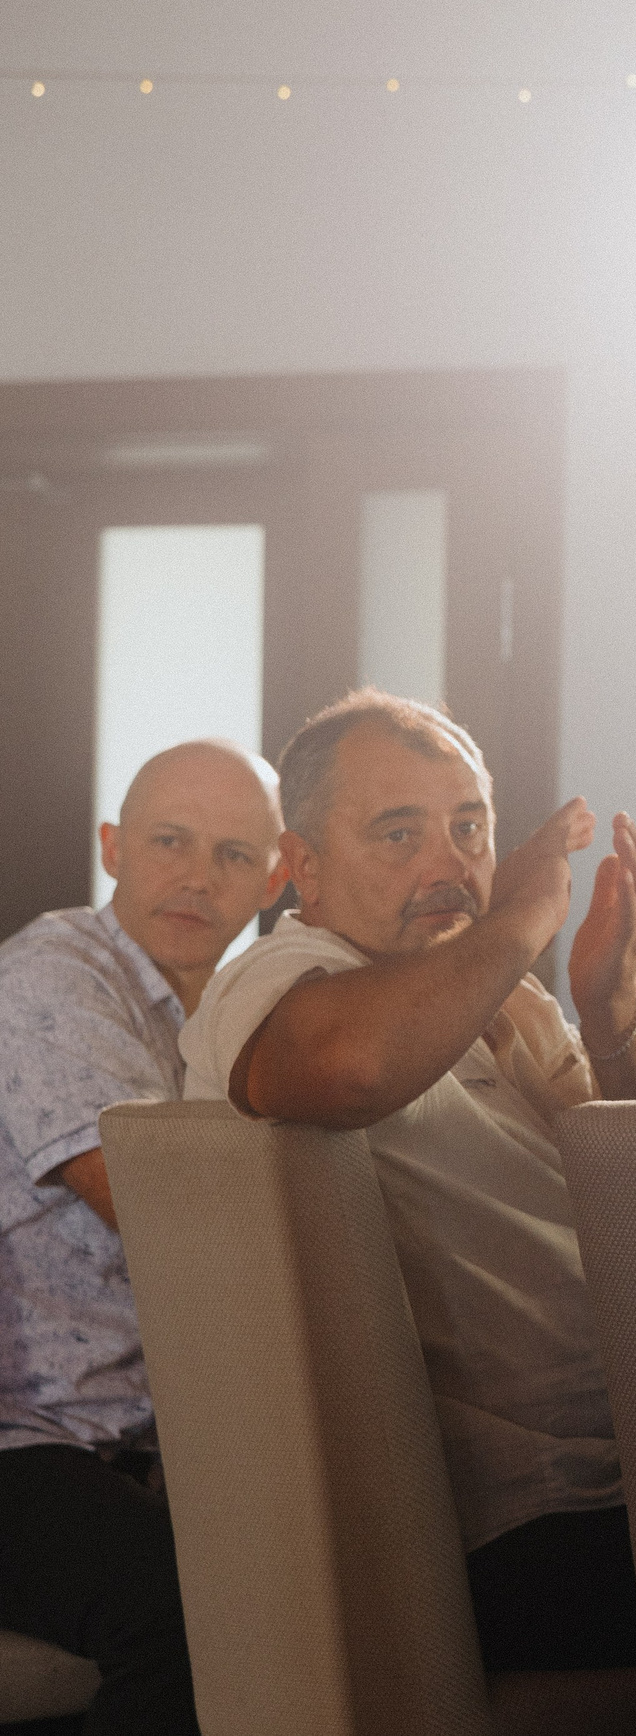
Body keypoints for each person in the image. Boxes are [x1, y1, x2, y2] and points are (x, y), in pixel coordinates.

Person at [179, 689, 636, 1675]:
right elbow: (348, 1066)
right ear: (303, 869)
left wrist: (615, 1011)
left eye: (468, 826)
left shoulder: (511, 1000)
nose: (447, 863)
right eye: (397, 832)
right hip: (515, 1521)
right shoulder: (282, 974)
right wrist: (524, 912)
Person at [0, 740, 287, 1736]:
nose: (198, 876)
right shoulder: (56, 971)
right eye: (170, 840)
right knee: (193, 1610)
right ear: (113, 845)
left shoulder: (234, 1009)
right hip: (26, 1437)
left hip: (145, 1440)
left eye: (233, 854)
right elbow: (150, 1201)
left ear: (277, 875)